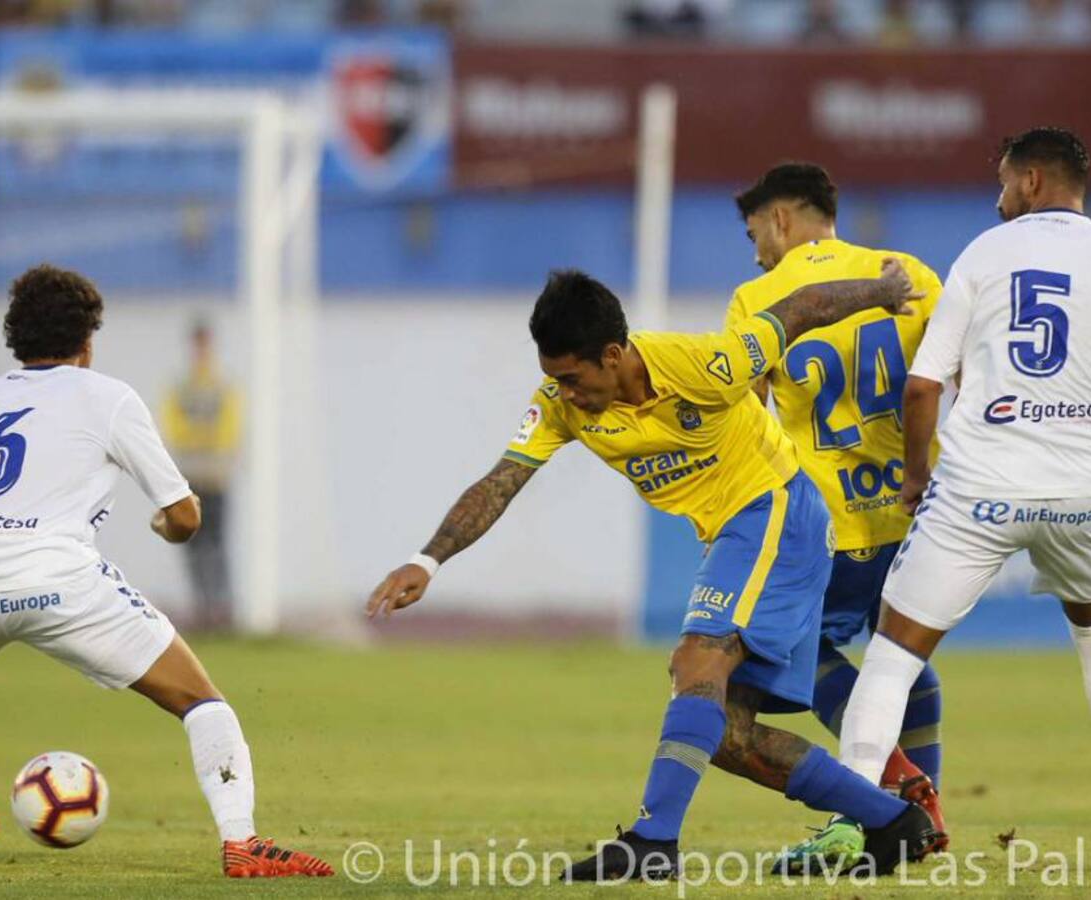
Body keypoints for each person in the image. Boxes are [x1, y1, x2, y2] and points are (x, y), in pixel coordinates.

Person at [369, 262, 940, 881]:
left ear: (613, 355)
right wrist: (428, 559)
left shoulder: (704, 364)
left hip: (776, 509)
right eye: (552, 379)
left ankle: (652, 842)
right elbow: (502, 480)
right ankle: (892, 823)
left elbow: (799, 307)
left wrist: (884, 293)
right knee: (727, 737)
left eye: (570, 377)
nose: (563, 393)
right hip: (735, 531)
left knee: (697, 661)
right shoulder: (560, 407)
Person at [0, 265, 331, 877]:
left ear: (14, 338)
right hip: (61, 584)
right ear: (88, 341)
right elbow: (183, 514)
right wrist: (165, 527)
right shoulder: (107, 397)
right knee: (202, 702)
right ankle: (241, 841)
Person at [834, 127, 1091, 852]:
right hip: (1081, 494)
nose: (999, 200)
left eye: (1005, 183)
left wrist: (915, 479)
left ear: (1033, 181)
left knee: (893, 651)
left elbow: (921, 387)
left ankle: (851, 816)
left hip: (979, 490)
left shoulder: (984, 252)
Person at [718, 162, 947, 869]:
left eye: (756, 231)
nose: (756, 248)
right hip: (914, 516)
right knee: (901, 659)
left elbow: (745, 416)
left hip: (827, 525)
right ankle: (915, 815)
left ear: (782, 219)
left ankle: (880, 798)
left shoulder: (757, 295)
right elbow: (939, 383)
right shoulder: (910, 273)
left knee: (776, 665)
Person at [160, 322, 241, 631]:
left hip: (216, 477)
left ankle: (221, 610)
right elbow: (173, 426)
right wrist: (199, 436)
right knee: (194, 547)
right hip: (189, 479)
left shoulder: (223, 387)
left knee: (218, 546)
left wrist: (202, 437)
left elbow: (230, 429)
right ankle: (201, 609)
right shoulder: (181, 387)